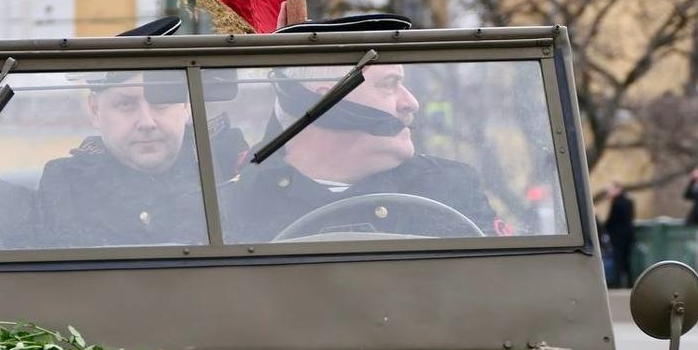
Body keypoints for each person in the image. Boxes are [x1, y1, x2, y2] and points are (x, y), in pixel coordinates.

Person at [219, 60, 500, 243]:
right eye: (389, 85)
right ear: (328, 100)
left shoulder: (449, 187)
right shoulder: (229, 206)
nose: (411, 103)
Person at [34, 71, 208, 247]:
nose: (147, 122)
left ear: (186, 105)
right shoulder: (68, 185)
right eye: (126, 104)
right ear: (95, 111)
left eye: (160, 102)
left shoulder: (224, 165)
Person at [602, 183, 636, 288]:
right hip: (629, 235)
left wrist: (604, 228)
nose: (609, 193)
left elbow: (611, 220)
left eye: (610, 190)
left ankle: (617, 283)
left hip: (617, 237)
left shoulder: (616, 203)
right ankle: (630, 282)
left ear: (618, 190)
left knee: (618, 260)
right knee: (627, 260)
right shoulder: (629, 201)